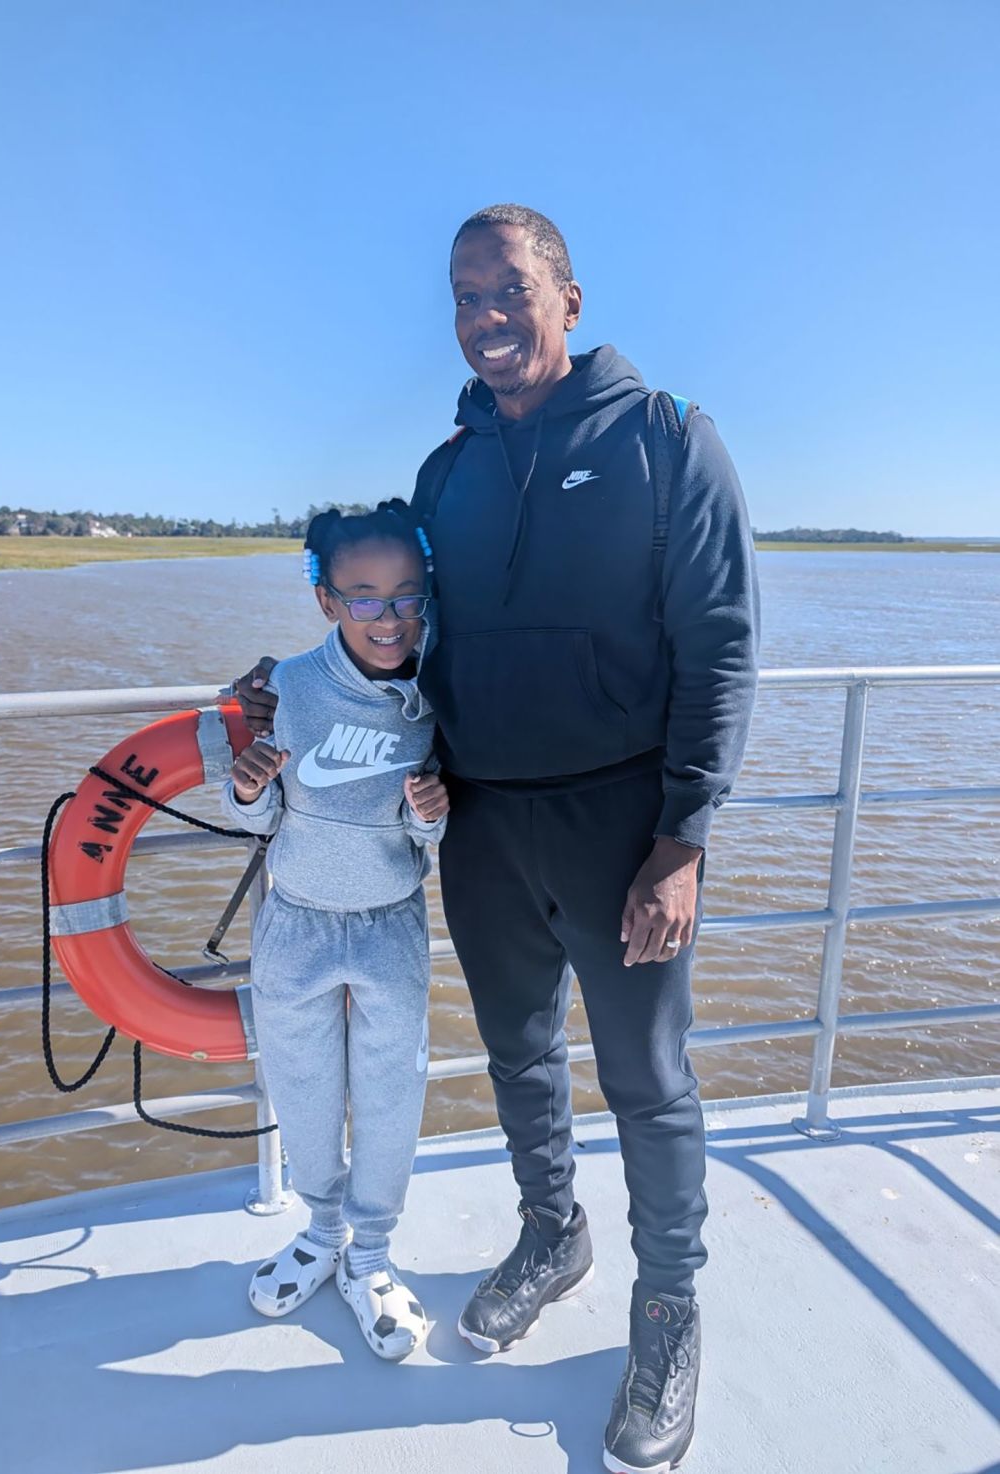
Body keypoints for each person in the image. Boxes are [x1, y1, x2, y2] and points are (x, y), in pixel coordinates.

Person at [237, 205, 759, 1471]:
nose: (484, 318)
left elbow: (724, 642)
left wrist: (682, 835)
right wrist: (273, 692)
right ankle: (552, 1233)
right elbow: (394, 635)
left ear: (569, 300)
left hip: (622, 821)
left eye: (509, 291)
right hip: (479, 818)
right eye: (464, 297)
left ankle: (668, 1307)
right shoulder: (445, 474)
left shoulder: (667, 438)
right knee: (521, 1055)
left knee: (648, 1078)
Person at [223, 500, 448, 1363]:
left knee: (393, 1094)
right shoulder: (286, 686)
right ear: (326, 601)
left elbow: (437, 837)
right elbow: (260, 813)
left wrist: (431, 817)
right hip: (297, 924)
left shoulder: (438, 690)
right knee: (304, 1086)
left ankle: (376, 1256)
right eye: (363, 597)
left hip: (391, 927)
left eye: (406, 596)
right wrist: (247, 786)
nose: (388, 618)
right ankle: (319, 1236)